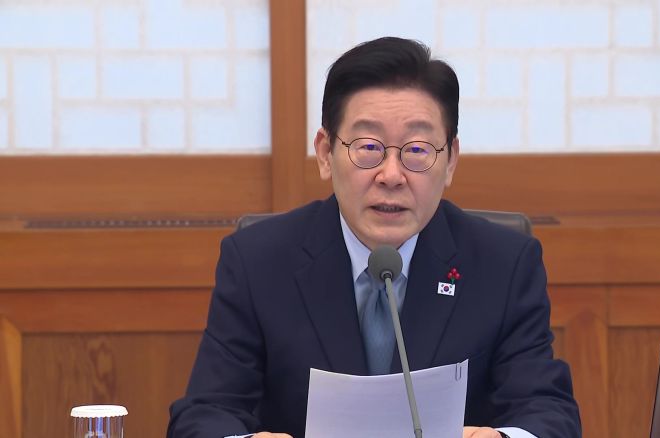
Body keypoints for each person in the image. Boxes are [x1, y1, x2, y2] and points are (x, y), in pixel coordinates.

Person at [168, 37, 580, 438]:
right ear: (325, 153)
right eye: (368, 147)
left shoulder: (502, 265)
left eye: (416, 150)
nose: (391, 175)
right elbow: (204, 414)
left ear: (451, 160)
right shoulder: (258, 261)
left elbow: (548, 413)